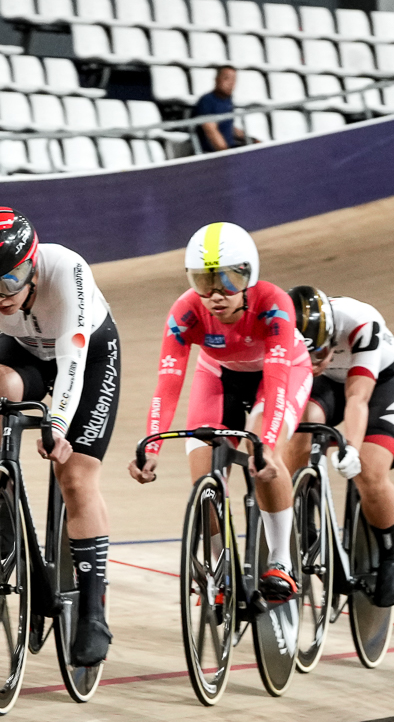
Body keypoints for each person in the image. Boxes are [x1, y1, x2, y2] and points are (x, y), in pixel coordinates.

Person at [0, 208, 121, 664]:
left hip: (86, 353)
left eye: (9, 281)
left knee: (74, 477)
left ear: (32, 264)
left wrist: (57, 423)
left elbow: (73, 356)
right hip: (25, 349)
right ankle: (5, 496)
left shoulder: (66, 267)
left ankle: (93, 611)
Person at [129, 222, 308, 613]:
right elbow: (168, 383)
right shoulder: (186, 311)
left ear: (249, 275)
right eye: (203, 280)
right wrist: (153, 444)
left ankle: (281, 560)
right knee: (203, 476)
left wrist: (267, 443)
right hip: (219, 374)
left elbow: (277, 382)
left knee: (261, 453)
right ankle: (218, 570)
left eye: (228, 279)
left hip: (279, 373)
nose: (215, 294)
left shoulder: (275, 304)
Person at [280, 286, 394, 606]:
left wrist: (350, 446)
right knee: (300, 430)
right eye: (305, 357)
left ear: (331, 336)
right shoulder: (281, 327)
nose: (314, 362)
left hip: (382, 381)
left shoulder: (360, 322)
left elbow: (357, 398)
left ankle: (390, 555)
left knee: (370, 469)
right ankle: (305, 522)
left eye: (320, 353)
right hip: (330, 385)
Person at [192, 66, 253, 152]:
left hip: (229, 150)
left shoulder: (228, 100)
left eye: (234, 80)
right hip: (212, 155)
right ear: (217, 79)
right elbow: (210, 130)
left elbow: (228, 127)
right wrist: (225, 153)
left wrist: (252, 140)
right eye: (227, 78)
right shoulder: (207, 100)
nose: (231, 83)